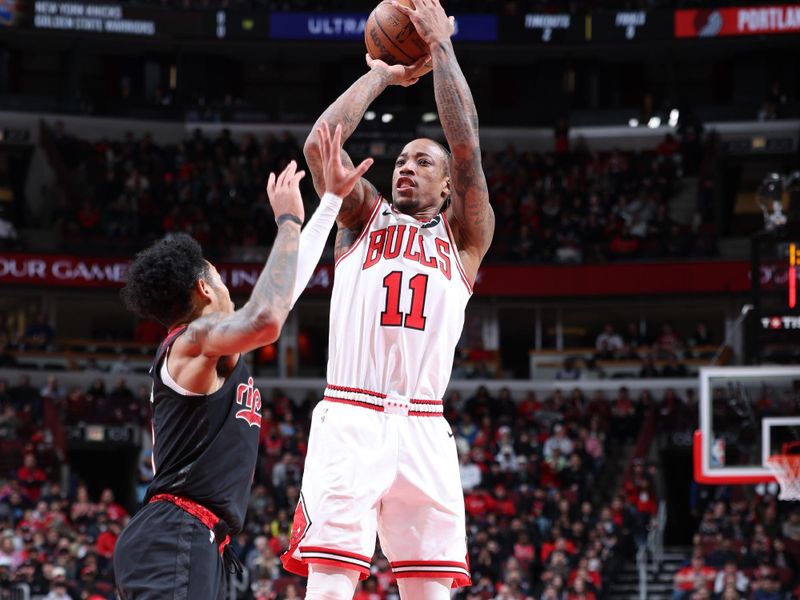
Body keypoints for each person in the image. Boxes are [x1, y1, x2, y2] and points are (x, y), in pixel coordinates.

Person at [283, 2, 495, 598]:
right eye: (401, 159)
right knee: (330, 582)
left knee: (431, 591)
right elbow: (320, 144)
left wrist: (442, 47)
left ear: (448, 184)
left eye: (422, 161)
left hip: (425, 425)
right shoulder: (364, 217)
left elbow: (469, 147)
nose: (405, 167)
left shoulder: (465, 237)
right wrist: (381, 74)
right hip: (352, 413)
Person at [113, 138, 372, 600]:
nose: (227, 284)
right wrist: (288, 220)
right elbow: (269, 317)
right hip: (175, 531)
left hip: (195, 537)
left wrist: (330, 200)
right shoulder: (191, 341)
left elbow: (282, 296)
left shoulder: (208, 349)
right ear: (204, 289)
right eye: (218, 274)